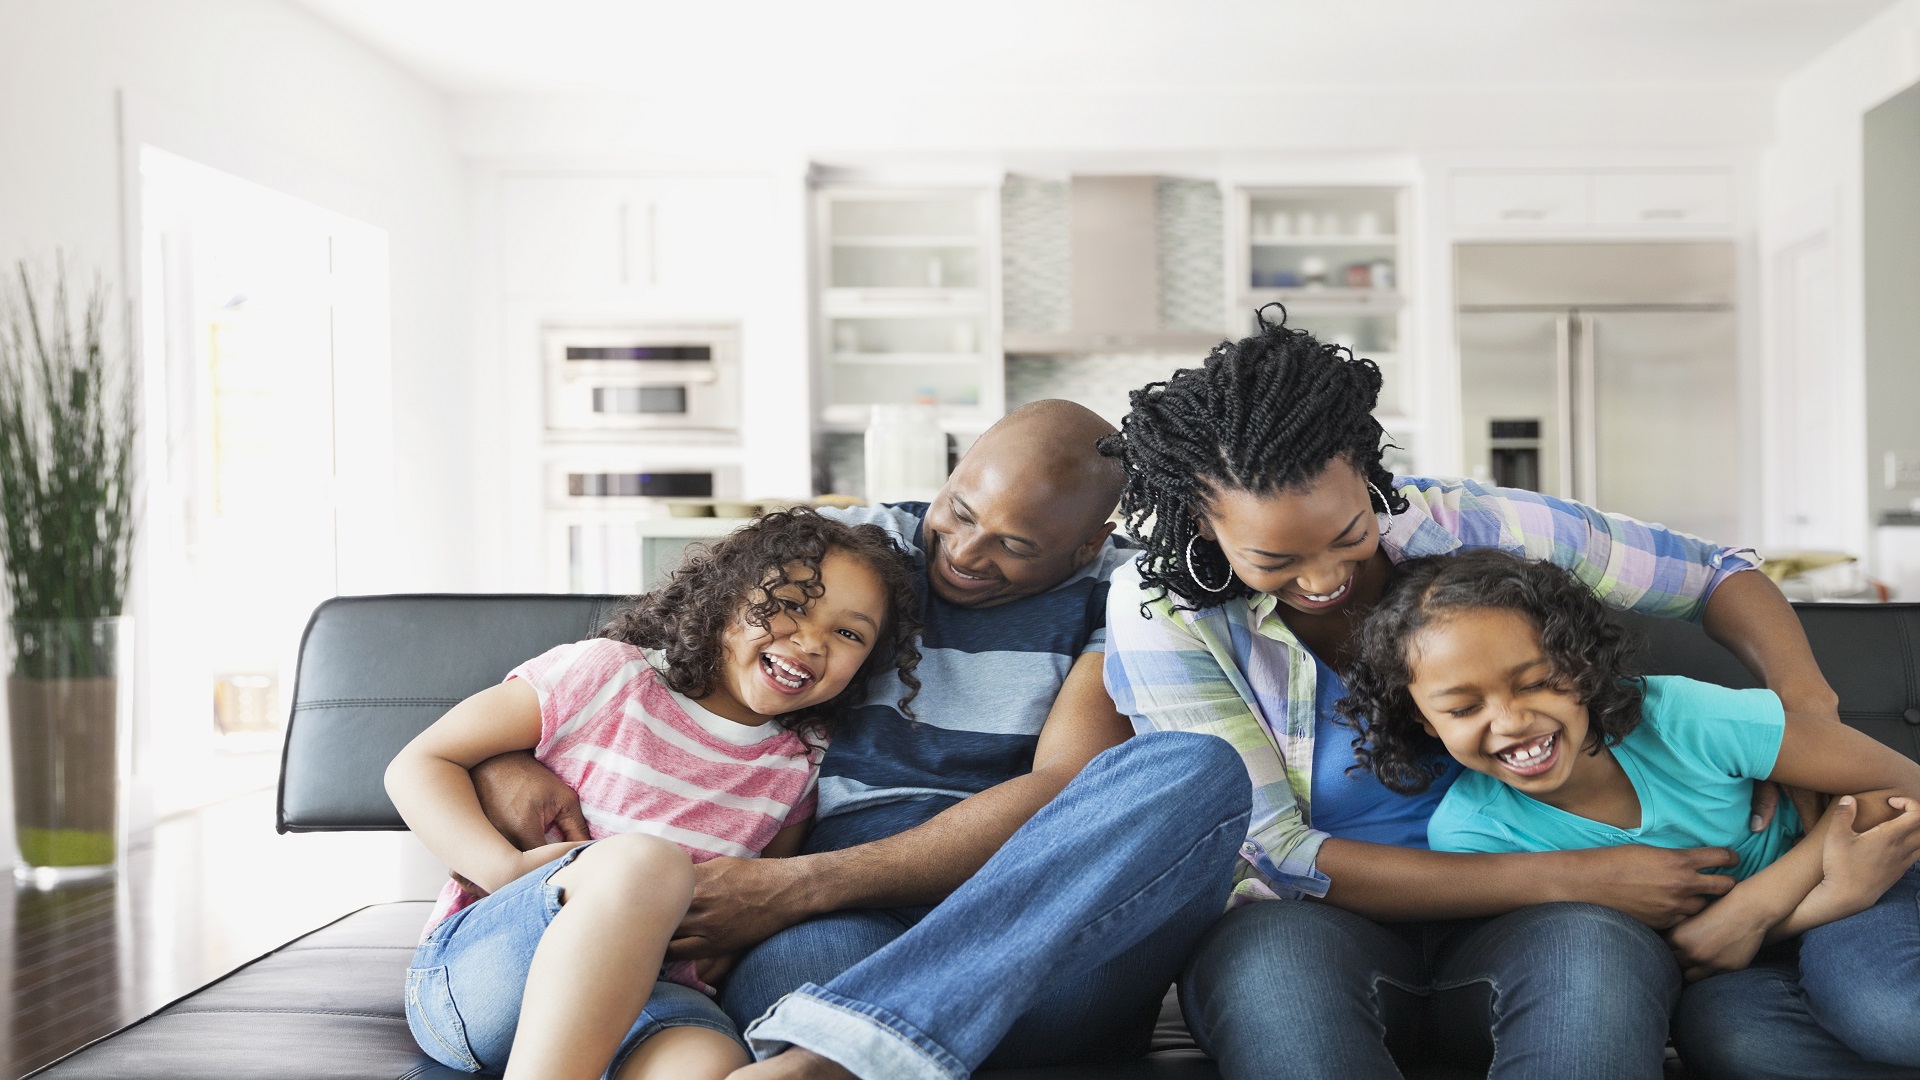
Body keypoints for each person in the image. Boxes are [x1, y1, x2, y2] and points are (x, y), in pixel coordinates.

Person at [1097, 306, 1850, 1079]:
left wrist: (1805, 721)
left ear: (1364, 466)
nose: (1324, 579)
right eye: (1274, 559)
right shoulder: (1163, 610)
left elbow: (1718, 574)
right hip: (1316, 925)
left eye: (1349, 534)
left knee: (1589, 965)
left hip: (1545, 922)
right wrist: (1585, 875)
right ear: (1202, 521)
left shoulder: (1474, 527)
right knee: (1274, 979)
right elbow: (1277, 852)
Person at [464, 400, 1254, 1080]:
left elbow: (1062, 791)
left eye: (1016, 546)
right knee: (804, 973)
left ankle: (838, 1056)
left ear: (1088, 543)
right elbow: (660, 664)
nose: (967, 554)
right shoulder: (856, 545)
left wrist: (799, 885)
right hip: (839, 948)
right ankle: (873, 1041)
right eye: (962, 511)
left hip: (1037, 929)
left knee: (1199, 769)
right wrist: (504, 760)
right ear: (954, 471)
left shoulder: (1122, 594)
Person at [1337, 548, 1920, 1078]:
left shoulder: (1682, 719)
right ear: (1422, 720)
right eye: (1464, 707)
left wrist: (1772, 902)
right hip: (1748, 962)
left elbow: (1901, 783)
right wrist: (1789, 915)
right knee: (1736, 1042)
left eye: (1538, 682)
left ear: (1582, 664)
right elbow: (1675, 957)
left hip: (1866, 879)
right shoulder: (1473, 835)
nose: (1511, 722)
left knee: (1888, 1011)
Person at [382, 509, 922, 1080]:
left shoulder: (801, 759)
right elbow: (419, 763)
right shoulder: (606, 675)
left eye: (847, 633)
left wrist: (733, 946)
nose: (812, 641)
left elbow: (765, 889)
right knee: (648, 863)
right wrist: (506, 869)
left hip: (655, 1003)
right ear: (727, 595)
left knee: (711, 1063)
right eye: (791, 604)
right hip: (490, 971)